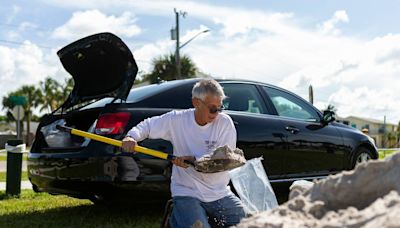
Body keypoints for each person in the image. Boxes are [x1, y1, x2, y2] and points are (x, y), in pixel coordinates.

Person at [122, 79, 245, 227]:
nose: (217, 113)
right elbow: (147, 126)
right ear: (196, 103)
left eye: (220, 108)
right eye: (213, 109)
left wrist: (194, 160)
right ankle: (176, 215)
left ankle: (183, 218)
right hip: (187, 192)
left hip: (219, 193)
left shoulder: (225, 123)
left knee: (248, 223)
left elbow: (223, 160)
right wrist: (131, 137)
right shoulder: (177, 119)